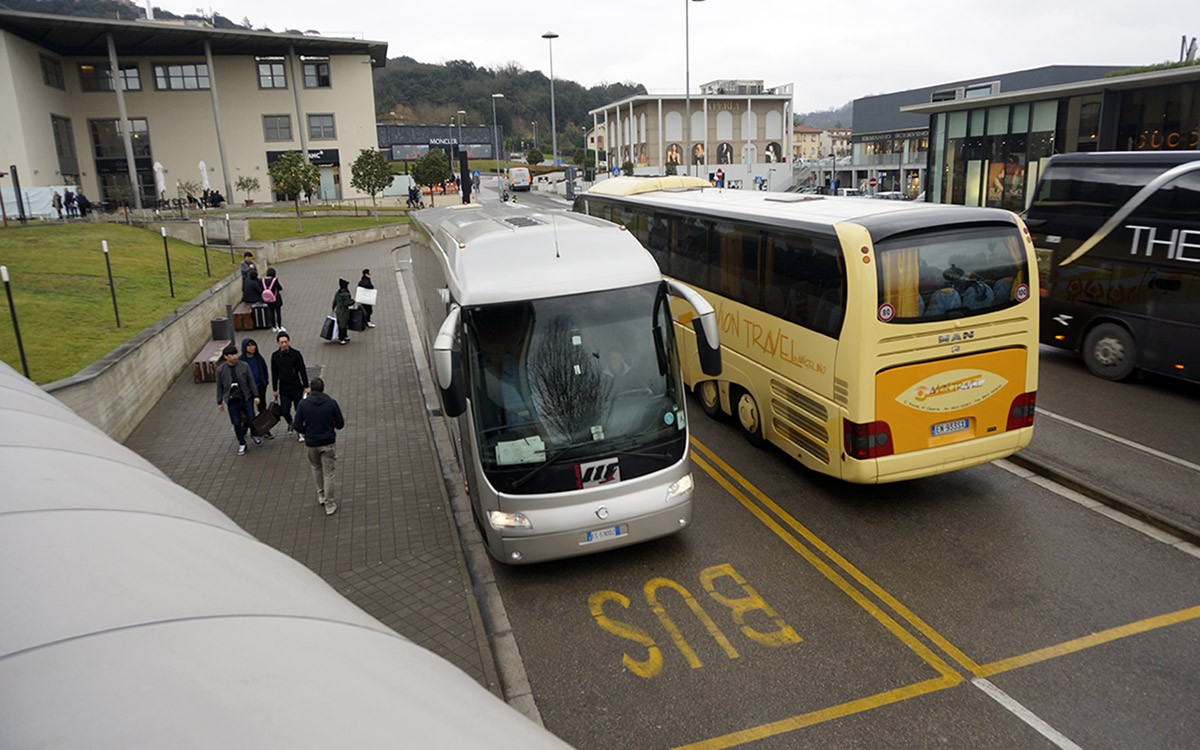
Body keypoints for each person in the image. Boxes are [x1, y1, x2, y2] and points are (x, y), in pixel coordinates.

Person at [292, 377, 344, 515]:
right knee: (329, 474)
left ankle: (321, 495)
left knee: (316, 468)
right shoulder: (331, 403)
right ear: (323, 388)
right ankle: (329, 504)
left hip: (312, 443)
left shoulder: (303, 404)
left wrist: (307, 432)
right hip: (328, 443)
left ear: (311, 389)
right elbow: (340, 424)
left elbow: (296, 425)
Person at [215, 344, 260, 455]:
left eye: (235, 354)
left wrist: (256, 395)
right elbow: (219, 386)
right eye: (232, 355)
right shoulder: (221, 370)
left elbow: (251, 381)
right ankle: (242, 443)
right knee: (236, 422)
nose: (235, 357)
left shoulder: (244, 366)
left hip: (245, 397)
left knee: (251, 418)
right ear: (226, 357)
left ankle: (254, 434)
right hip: (232, 400)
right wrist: (219, 401)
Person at [270, 331, 310, 443]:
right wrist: (275, 388)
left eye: (286, 342)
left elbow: (302, 370)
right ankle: (290, 422)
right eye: (281, 342)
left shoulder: (296, 354)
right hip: (284, 388)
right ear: (278, 343)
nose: (284, 344)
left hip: (296, 387)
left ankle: (300, 431)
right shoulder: (275, 356)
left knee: (299, 410)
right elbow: (274, 373)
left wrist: (306, 386)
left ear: (289, 341)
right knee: (284, 410)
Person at [239, 337, 273, 440]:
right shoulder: (240, 361)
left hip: (260, 387)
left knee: (262, 408)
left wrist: (265, 381)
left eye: (253, 345)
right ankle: (246, 427)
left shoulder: (258, 358)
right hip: (246, 390)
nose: (251, 347)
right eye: (248, 345)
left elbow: (264, 369)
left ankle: (265, 429)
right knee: (247, 411)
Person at [331, 278, 353, 345]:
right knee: (343, 325)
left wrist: (333, 308)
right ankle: (342, 338)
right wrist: (353, 301)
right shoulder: (346, 294)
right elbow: (347, 303)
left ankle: (344, 336)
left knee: (341, 324)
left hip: (338, 311)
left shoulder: (338, 292)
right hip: (344, 312)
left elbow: (334, 301)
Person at [261, 267, 283, 331]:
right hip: (276, 299)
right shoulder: (274, 280)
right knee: (278, 313)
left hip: (268, 299)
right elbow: (280, 288)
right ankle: (279, 326)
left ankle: (274, 327)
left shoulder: (263, 281)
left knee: (271, 313)